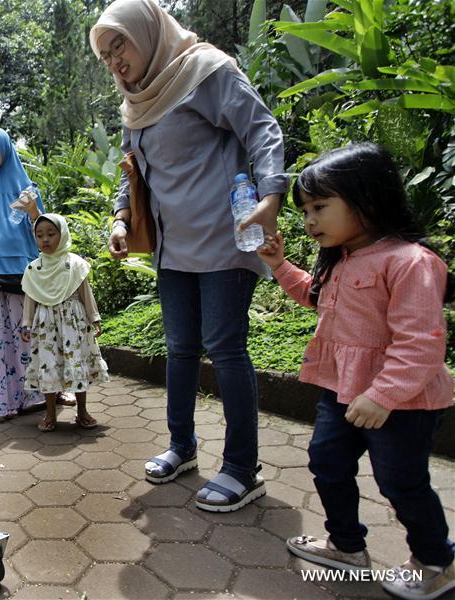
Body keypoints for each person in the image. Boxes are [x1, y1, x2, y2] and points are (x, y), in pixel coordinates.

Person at [90, 0, 288, 511]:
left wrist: (271, 195)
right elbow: (132, 169)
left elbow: (261, 128)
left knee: (224, 347)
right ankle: (182, 446)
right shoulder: (136, 102)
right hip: (173, 248)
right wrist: (120, 218)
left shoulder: (205, 71)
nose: (114, 61)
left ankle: (242, 468)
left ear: (147, 32)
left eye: (119, 45)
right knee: (180, 349)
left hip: (225, 237)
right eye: (105, 56)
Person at [257, 143, 454, 599]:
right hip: (342, 391)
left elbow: (421, 342)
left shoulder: (410, 262)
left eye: (320, 207)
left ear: (368, 198)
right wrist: (279, 266)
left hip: (402, 403)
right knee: (327, 461)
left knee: (401, 482)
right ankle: (346, 547)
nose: (310, 220)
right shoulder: (343, 258)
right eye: (305, 211)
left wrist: (382, 395)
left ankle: (436, 562)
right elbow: (315, 296)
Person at [0, 127, 79, 419]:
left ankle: (47, 392)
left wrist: (33, 211)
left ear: (6, 149)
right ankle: (7, 403)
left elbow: (44, 233)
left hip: (24, 273)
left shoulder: (26, 189)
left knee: (34, 336)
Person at [19, 213, 108, 432]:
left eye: (51, 234)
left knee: (76, 363)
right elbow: (30, 297)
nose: (45, 239)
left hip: (73, 323)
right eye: (40, 235)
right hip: (46, 324)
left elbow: (85, 293)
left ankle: (82, 411)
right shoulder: (34, 269)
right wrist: (26, 323)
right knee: (48, 365)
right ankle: (50, 413)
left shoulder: (75, 264)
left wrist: (94, 318)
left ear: (63, 234)